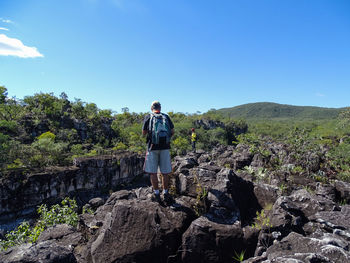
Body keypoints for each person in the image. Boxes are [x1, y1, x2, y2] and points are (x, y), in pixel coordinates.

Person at [142, 101, 174, 204]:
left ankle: (156, 194)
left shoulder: (148, 117)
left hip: (152, 147)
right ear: (160, 107)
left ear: (152, 108)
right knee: (165, 172)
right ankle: (165, 193)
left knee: (153, 172)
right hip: (165, 147)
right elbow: (172, 131)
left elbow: (144, 132)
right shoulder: (166, 117)